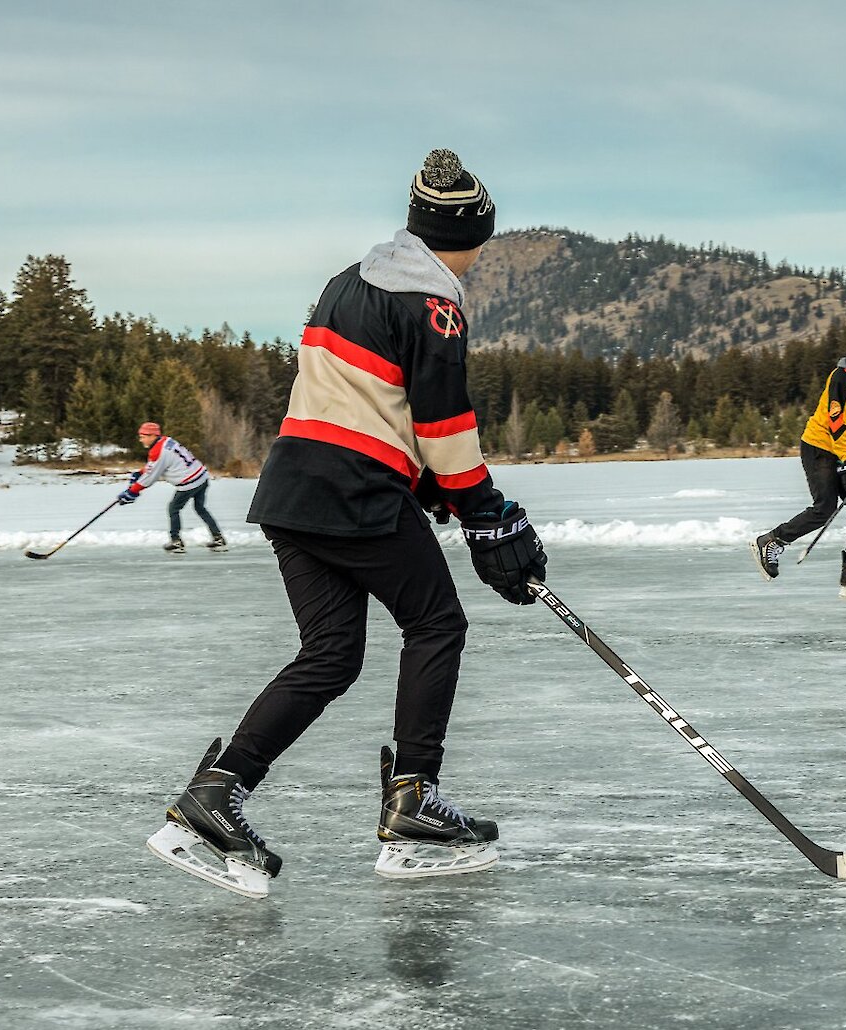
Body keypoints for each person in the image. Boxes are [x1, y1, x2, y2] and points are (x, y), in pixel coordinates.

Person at [145, 148, 547, 897]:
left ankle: (217, 793)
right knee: (436, 624)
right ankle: (415, 800)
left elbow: (364, 402)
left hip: (292, 487)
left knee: (331, 653)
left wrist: (428, 488)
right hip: (355, 490)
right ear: (477, 230)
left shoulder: (347, 282)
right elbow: (446, 425)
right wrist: (490, 519)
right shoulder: (433, 299)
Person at [750, 318, 846, 597]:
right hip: (820, 446)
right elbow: (837, 423)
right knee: (824, 507)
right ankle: (771, 541)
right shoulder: (842, 377)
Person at [117, 422, 226, 553]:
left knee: (173, 508)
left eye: (143, 436)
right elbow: (159, 465)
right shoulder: (166, 441)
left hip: (189, 483)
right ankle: (218, 537)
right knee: (200, 508)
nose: (141, 440)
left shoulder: (157, 451)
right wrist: (140, 473)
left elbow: (151, 476)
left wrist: (132, 492)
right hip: (201, 477)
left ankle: (176, 541)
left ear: (152, 435)